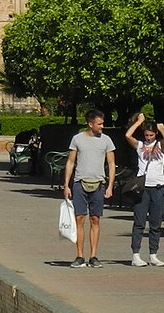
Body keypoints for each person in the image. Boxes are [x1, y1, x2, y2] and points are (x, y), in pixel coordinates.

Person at [60, 108, 116, 269]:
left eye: (102, 123)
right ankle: (79, 255)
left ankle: (93, 255)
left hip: (98, 184)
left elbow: (111, 164)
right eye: (99, 123)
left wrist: (110, 185)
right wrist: (66, 185)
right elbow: (70, 162)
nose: (102, 126)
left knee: (95, 219)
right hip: (79, 183)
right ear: (90, 124)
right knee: (79, 219)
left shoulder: (106, 141)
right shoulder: (77, 139)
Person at [123, 113, 164, 266]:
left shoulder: (160, 146)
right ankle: (136, 255)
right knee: (139, 222)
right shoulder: (140, 146)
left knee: (156, 223)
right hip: (142, 189)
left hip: (158, 188)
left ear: (155, 134)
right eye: (146, 135)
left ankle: (153, 254)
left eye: (151, 135)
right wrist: (139, 122)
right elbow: (128, 135)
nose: (148, 137)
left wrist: (162, 129)